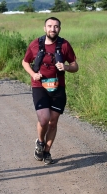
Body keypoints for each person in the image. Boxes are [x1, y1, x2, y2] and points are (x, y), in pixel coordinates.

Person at [22, 17, 79, 165]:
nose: (52, 29)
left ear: (59, 29)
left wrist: (66, 67)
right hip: (39, 85)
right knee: (43, 119)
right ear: (44, 28)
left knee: (53, 122)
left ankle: (46, 152)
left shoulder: (65, 45)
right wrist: (33, 74)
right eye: (49, 26)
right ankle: (40, 142)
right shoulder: (35, 44)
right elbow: (25, 61)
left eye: (56, 27)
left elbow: (75, 66)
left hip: (58, 86)